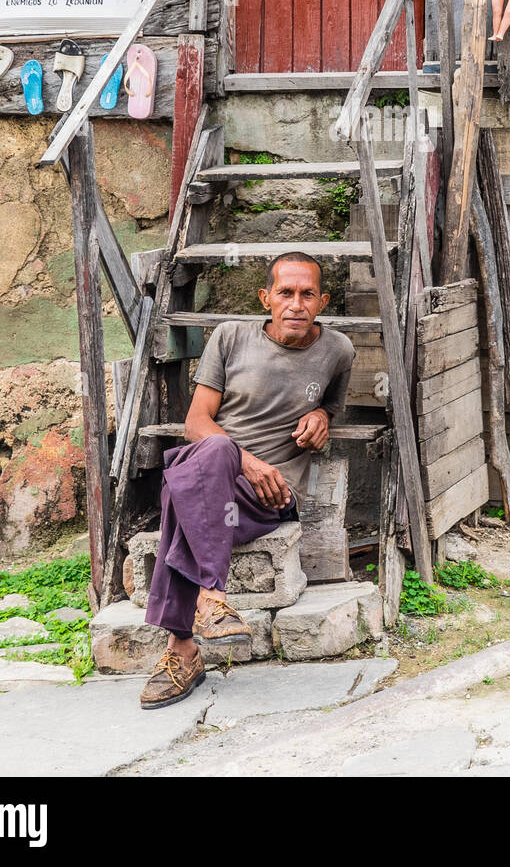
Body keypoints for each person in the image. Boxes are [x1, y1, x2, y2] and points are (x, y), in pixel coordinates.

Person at [139, 251, 355, 709]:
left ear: (322, 301)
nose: (296, 304)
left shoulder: (338, 351)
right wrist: (245, 459)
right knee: (214, 450)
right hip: (214, 471)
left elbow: (331, 407)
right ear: (266, 298)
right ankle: (213, 598)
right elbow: (197, 422)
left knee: (184, 501)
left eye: (307, 294)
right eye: (285, 293)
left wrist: (321, 415)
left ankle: (182, 651)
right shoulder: (231, 337)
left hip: (262, 498)